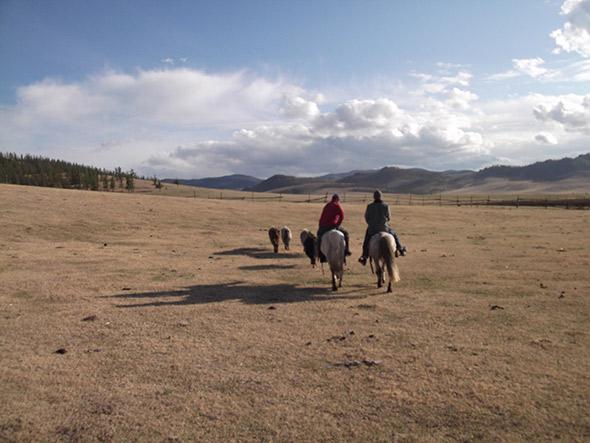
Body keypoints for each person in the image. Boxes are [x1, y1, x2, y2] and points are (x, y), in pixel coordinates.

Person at [358, 190, 407, 265]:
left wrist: (371, 224)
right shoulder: (386, 206)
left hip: (372, 229)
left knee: (366, 241)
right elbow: (389, 217)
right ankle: (400, 249)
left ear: (374, 197)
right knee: (394, 234)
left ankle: (364, 256)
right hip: (384, 228)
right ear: (381, 197)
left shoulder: (369, 206)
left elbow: (367, 218)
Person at [317, 193, 351, 261]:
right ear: (337, 199)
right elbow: (341, 215)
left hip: (322, 226)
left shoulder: (327, 205)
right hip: (332, 226)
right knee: (346, 234)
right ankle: (346, 251)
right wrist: (337, 224)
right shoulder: (337, 205)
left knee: (319, 237)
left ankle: (320, 254)